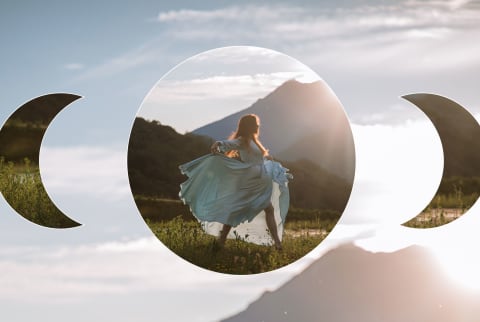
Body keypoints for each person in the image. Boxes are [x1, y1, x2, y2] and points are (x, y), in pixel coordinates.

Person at [179, 114, 291, 250]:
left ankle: (275, 243)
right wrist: (219, 144)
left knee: (264, 209)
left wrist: (267, 157)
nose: (258, 126)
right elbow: (230, 144)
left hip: (259, 182)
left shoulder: (253, 140)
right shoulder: (243, 140)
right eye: (255, 124)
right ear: (249, 126)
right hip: (250, 182)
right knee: (241, 209)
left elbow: (257, 158)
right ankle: (224, 240)